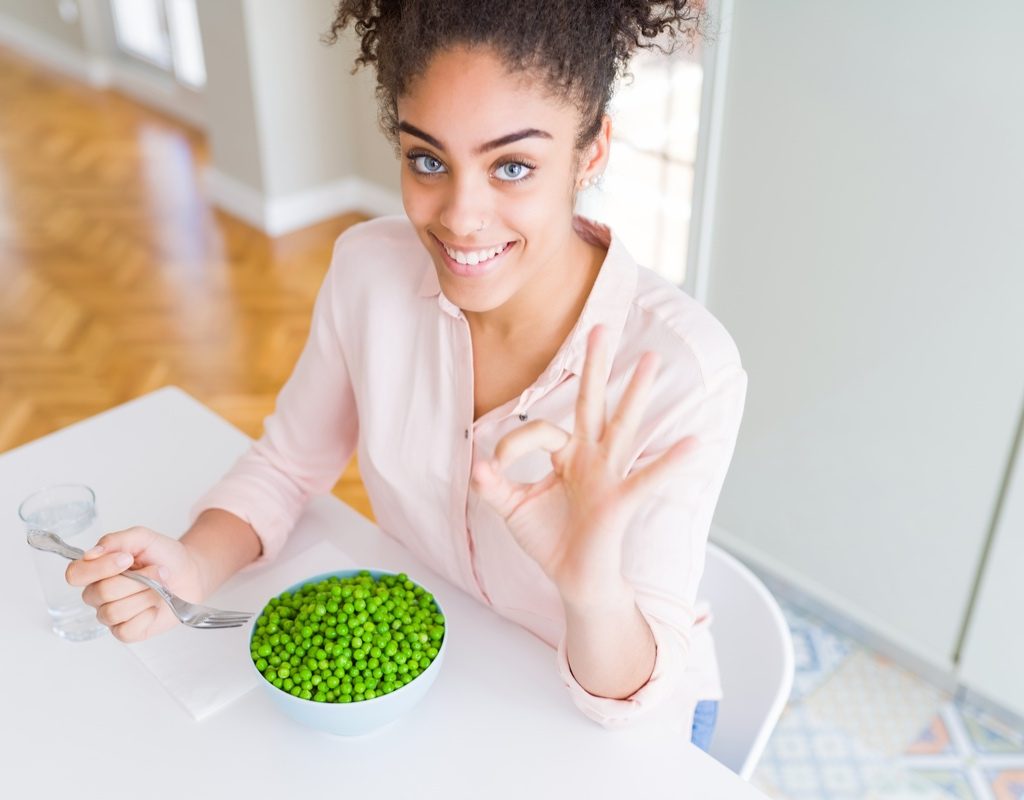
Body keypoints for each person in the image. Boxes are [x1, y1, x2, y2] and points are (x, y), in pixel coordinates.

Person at [65, 0, 746, 749]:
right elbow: (288, 466)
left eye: (512, 166)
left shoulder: (685, 371)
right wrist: (194, 565)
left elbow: (630, 699)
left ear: (592, 153)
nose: (460, 217)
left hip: (618, 720)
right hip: (444, 681)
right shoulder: (367, 272)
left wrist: (590, 590)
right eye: (427, 159)